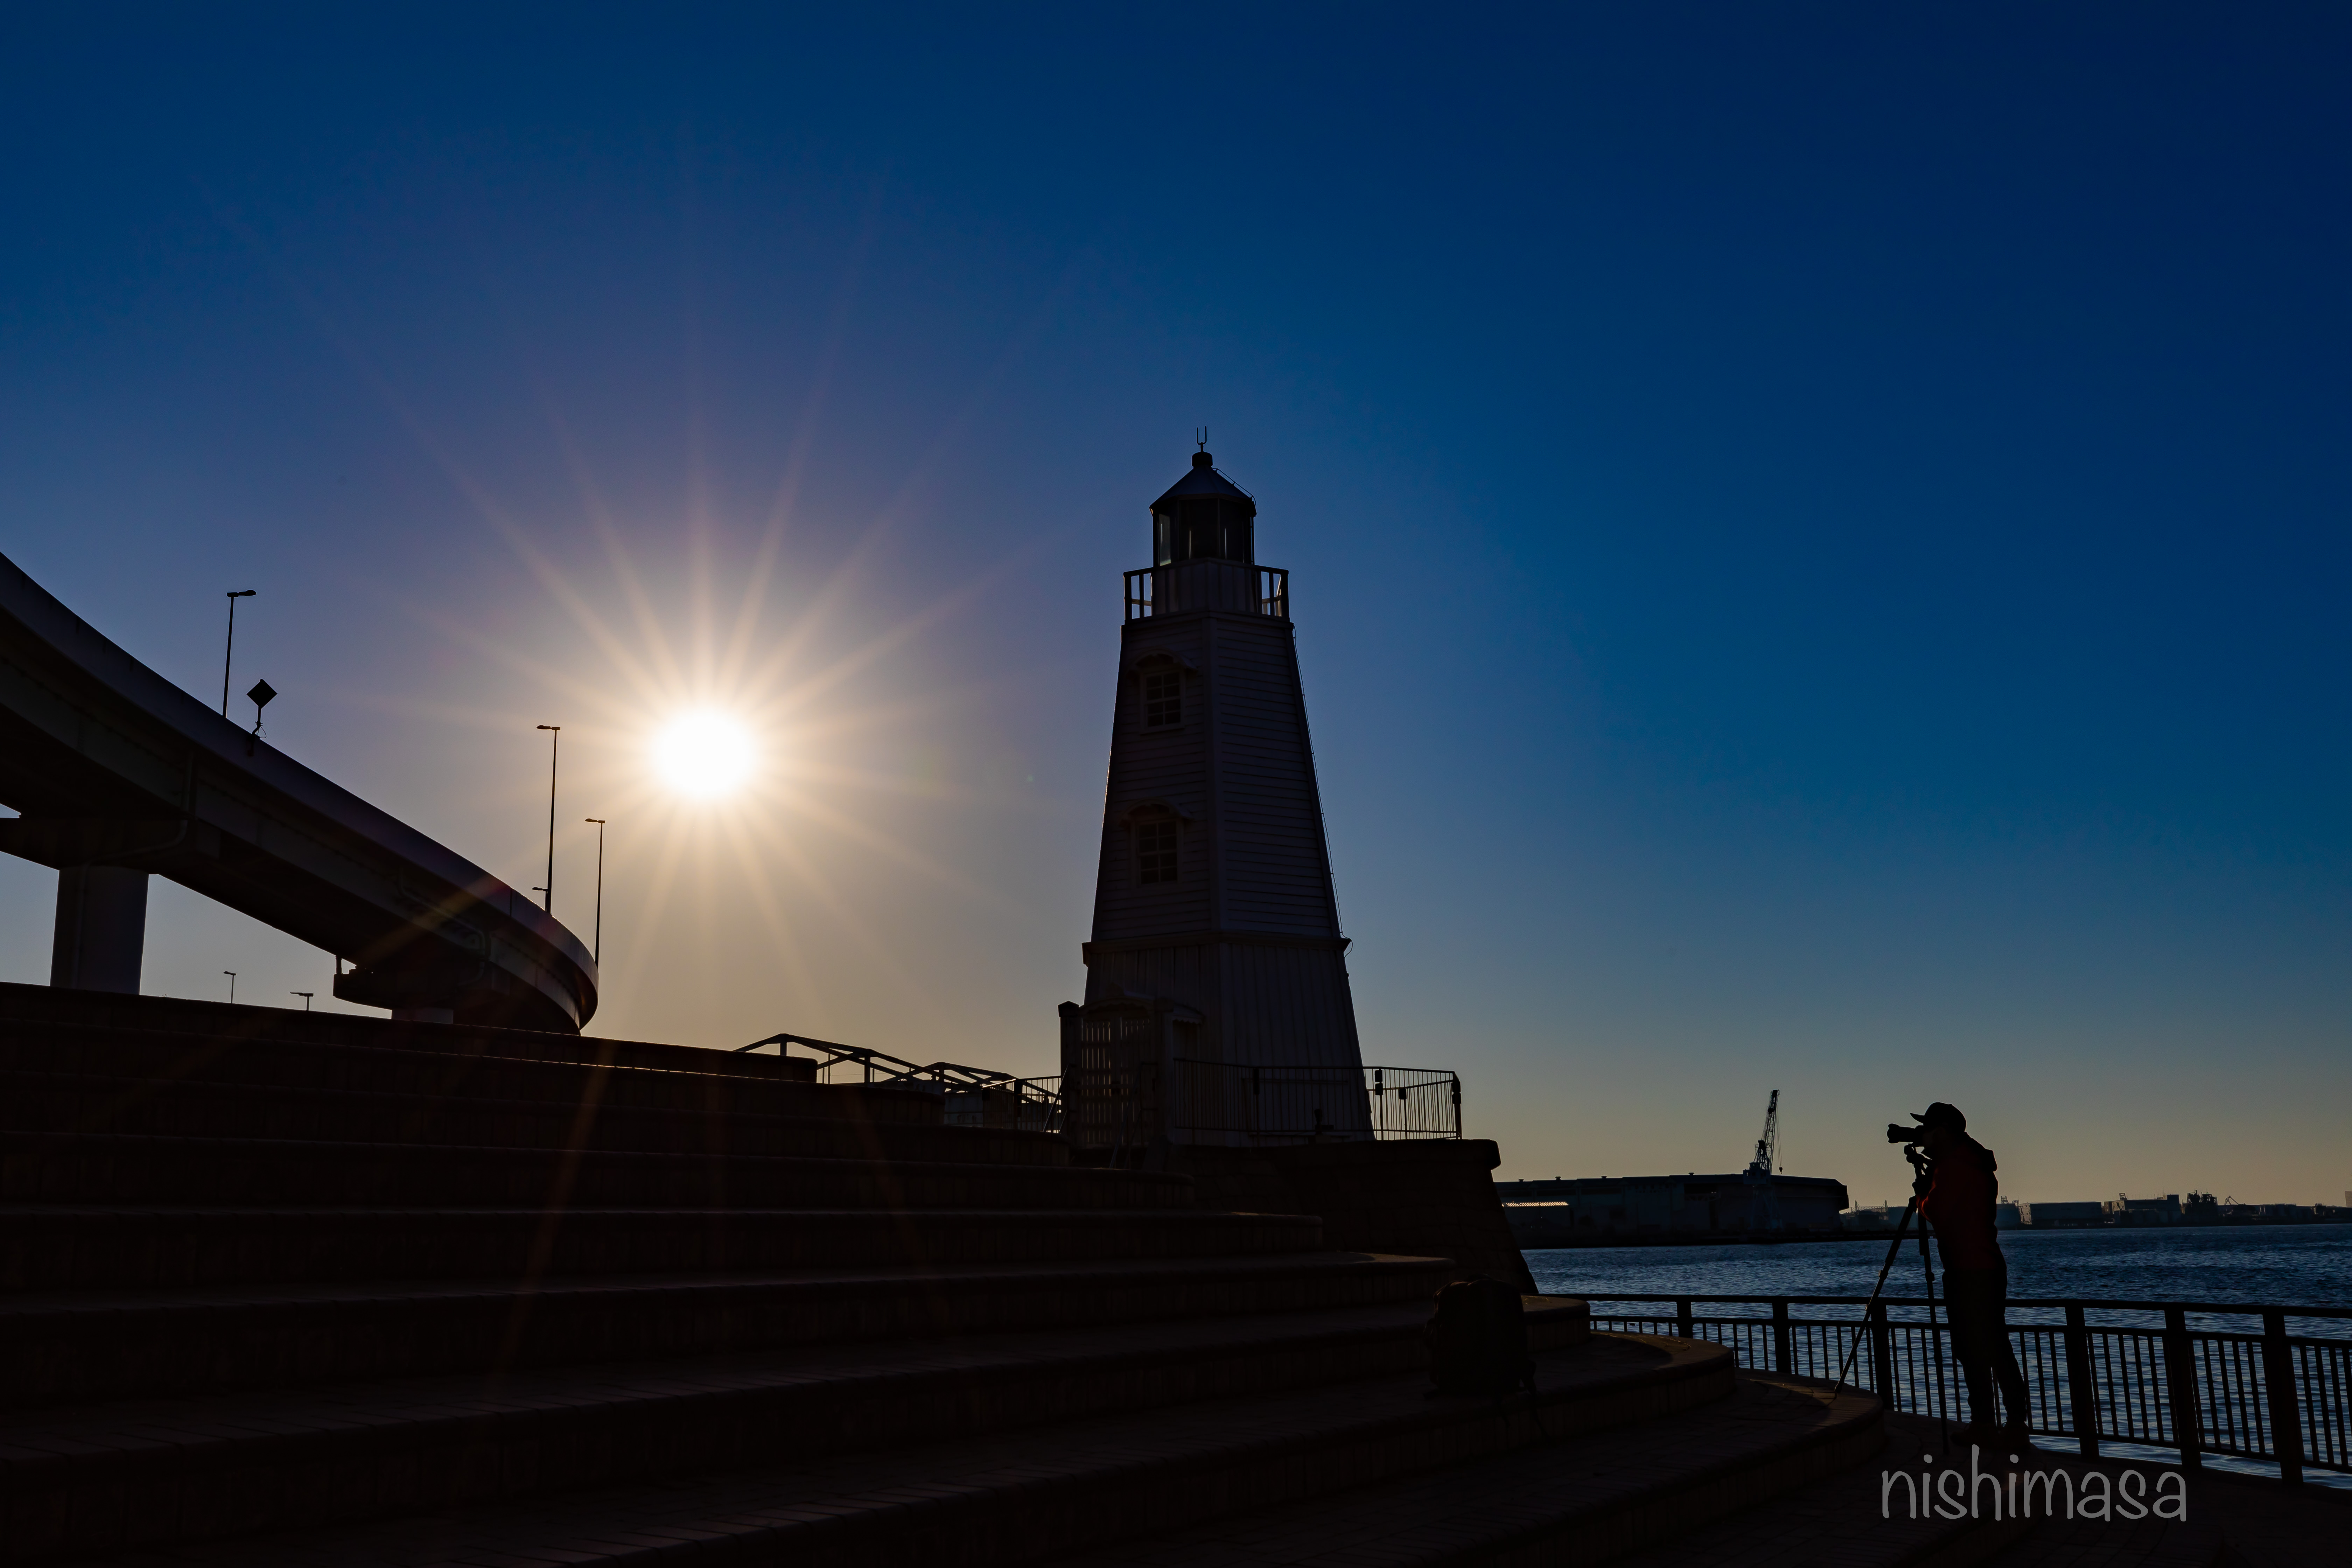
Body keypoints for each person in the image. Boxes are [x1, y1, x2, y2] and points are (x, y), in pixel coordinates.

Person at [1894, 1101, 2032, 1448]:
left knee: (1976, 1349)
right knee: (1994, 1347)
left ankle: (1989, 1424)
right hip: (1984, 1267)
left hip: (1968, 1271)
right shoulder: (1971, 1162)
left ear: (1942, 1132)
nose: (1923, 1136)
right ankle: (2011, 1424)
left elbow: (1938, 1211)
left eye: (1928, 1130)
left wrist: (1923, 1194)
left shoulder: (1954, 1167)